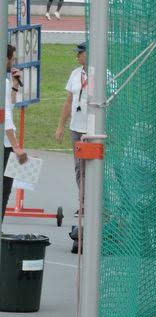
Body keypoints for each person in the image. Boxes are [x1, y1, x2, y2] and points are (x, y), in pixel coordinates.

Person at [54, 42, 88, 209]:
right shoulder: (75, 74)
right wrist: (61, 126)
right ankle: (83, 203)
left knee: (94, 168)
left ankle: (98, 204)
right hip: (76, 129)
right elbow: (68, 102)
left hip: (94, 131)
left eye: (79, 53)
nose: (77, 56)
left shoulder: (104, 74)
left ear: (88, 54)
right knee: (79, 167)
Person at [3, 45, 27, 222]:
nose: (13, 62)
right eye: (12, 59)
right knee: (4, 189)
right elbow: (5, 116)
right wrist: (16, 147)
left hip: (6, 142)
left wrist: (15, 86)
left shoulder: (5, 82)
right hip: (5, 144)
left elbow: (9, 105)